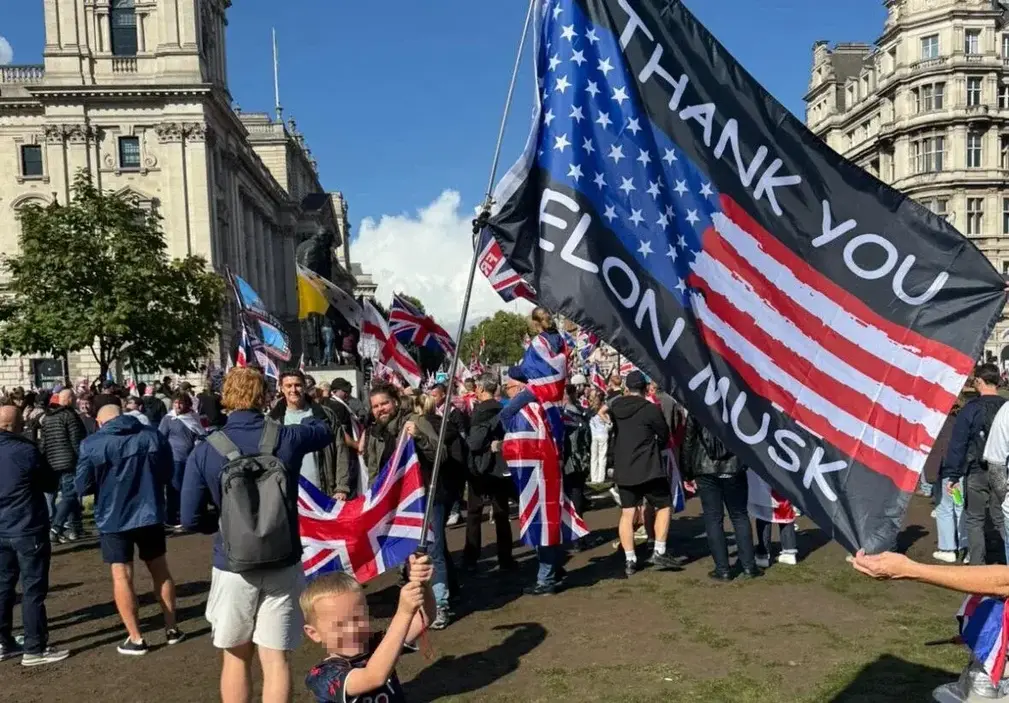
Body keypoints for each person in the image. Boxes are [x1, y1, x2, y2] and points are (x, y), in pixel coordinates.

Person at [181, 367, 334, 703]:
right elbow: (325, 430)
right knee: (276, 658)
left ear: (225, 398)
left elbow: (188, 518)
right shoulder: (287, 437)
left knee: (236, 656)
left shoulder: (206, 449)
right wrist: (307, 400)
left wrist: (221, 525)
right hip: (283, 558)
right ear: (265, 396)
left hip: (233, 562)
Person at [75, 404, 183, 655]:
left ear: (99, 422)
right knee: (160, 569)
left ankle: (136, 638)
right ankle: (171, 628)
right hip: (150, 511)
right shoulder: (152, 435)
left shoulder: (92, 444)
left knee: (122, 576)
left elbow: (82, 485)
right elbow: (168, 472)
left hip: (113, 516)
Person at [362, 384, 447, 627]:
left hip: (422, 499)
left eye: (384, 403)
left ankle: (440, 605)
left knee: (431, 552)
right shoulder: (374, 432)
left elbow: (441, 454)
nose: (380, 409)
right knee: (402, 554)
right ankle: (413, 605)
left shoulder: (415, 421)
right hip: (394, 503)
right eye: (376, 406)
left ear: (396, 402)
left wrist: (419, 437)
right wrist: (374, 500)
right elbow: (374, 470)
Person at [302, 555, 435, 702]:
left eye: (358, 618)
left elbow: (423, 619)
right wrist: (403, 613)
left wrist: (422, 585)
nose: (352, 630)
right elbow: (373, 677)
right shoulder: (323, 676)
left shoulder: (378, 644)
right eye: (339, 625)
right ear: (314, 633)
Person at [0, 405, 69, 666]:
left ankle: (3, 641)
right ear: (17, 425)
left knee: (3, 586)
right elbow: (50, 483)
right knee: (33, 589)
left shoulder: (22, 450)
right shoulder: (25, 451)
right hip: (27, 527)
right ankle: (34, 648)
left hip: (3, 528)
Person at [606, 371, 680, 576]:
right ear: (646, 388)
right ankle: (659, 550)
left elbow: (607, 415)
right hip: (648, 467)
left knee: (627, 512)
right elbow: (664, 434)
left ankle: (630, 558)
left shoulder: (616, 408)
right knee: (664, 505)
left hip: (624, 467)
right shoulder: (650, 409)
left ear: (627, 388)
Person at [682, 414, 760, 581]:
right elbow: (750, 435)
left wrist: (687, 472)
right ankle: (749, 566)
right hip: (733, 467)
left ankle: (723, 569)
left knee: (713, 518)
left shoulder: (698, 406)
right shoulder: (736, 406)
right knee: (739, 516)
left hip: (706, 468)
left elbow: (688, 440)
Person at [944, 364, 1007, 566]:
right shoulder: (1005, 407)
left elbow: (958, 444)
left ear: (979, 381)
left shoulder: (970, 409)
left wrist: (953, 475)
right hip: (1002, 470)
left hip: (976, 469)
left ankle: (977, 566)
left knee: (975, 519)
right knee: (1002, 517)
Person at [463, 375, 516, 573]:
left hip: (481, 467)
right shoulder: (504, 409)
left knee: (474, 513)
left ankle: (471, 557)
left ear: (481, 389)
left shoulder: (480, 412)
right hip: (500, 466)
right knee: (501, 512)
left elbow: (474, 443)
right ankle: (506, 557)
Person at [268, 370, 349, 499]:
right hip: (288, 494)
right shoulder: (272, 421)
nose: (293, 390)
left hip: (323, 491)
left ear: (305, 386)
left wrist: (342, 488)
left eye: (297, 385)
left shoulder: (325, 415)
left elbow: (341, 450)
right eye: (288, 386)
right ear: (282, 389)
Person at [40, 388, 87, 543]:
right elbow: (76, 440)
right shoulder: (70, 416)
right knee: (70, 495)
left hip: (52, 461)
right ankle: (56, 527)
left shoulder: (47, 418)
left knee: (68, 494)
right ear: (70, 399)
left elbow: (43, 443)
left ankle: (74, 527)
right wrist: (82, 459)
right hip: (69, 461)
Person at [158, 392, 206, 531]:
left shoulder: (193, 417)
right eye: (175, 403)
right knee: (175, 489)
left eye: (181, 403)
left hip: (191, 459)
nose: (178, 406)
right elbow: (161, 438)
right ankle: (172, 517)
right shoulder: (168, 419)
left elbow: (200, 434)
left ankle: (189, 515)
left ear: (187, 404)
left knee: (190, 488)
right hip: (175, 459)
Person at [429, 383, 468, 528]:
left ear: (443, 395)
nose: (432, 398)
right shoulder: (432, 413)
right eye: (430, 396)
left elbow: (463, 433)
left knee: (455, 483)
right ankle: (450, 509)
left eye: (435, 396)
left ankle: (455, 510)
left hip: (455, 453)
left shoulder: (454, 412)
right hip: (441, 454)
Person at [588, 390, 611, 484]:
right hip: (603, 435)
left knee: (594, 457)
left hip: (594, 436)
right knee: (602, 457)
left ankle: (594, 478)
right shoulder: (604, 413)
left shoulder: (591, 412)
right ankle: (600, 478)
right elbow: (609, 425)